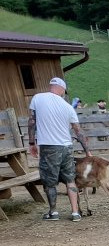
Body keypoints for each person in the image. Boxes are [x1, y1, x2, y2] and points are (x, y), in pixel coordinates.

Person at [27, 77, 91, 222]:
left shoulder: (38, 98)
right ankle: (75, 213)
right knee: (70, 179)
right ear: (61, 89)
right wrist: (87, 151)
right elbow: (78, 131)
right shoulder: (68, 107)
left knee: (49, 182)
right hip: (67, 147)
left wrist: (32, 143)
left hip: (49, 147)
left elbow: (32, 121)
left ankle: (53, 212)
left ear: (51, 86)